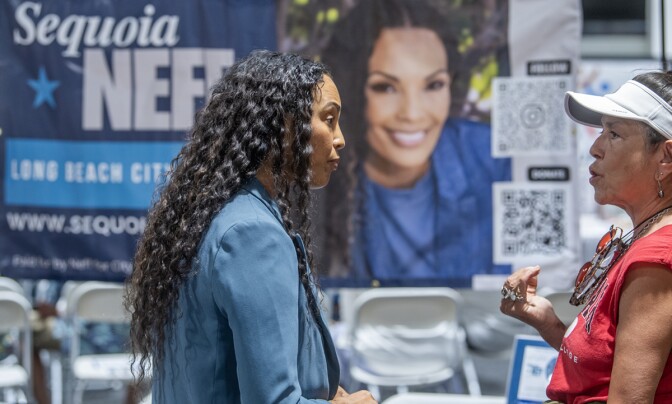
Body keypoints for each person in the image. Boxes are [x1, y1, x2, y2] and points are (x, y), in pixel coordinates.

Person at [124, 50, 377, 404]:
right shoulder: (252, 234)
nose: (340, 139)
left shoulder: (214, 216)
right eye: (329, 119)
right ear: (285, 125)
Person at [500, 71, 672, 403]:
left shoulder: (656, 259)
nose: (595, 148)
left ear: (665, 157)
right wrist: (548, 323)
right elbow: (605, 370)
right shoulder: (644, 241)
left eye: (615, 134)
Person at [319, 0, 512, 285]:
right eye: (386, 87)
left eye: (433, 85)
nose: (412, 113)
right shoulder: (317, 175)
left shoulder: (491, 159)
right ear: (352, 90)